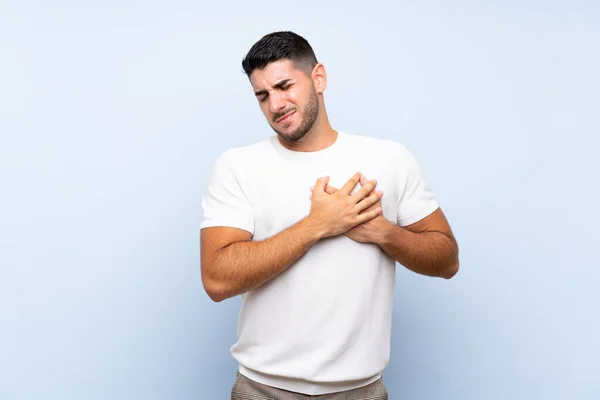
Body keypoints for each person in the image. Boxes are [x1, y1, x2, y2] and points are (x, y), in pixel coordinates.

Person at [200, 31, 459, 400]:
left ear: (318, 78)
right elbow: (216, 280)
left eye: (285, 86)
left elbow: (447, 259)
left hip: (361, 391)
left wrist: (383, 232)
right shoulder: (238, 166)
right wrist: (317, 225)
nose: (275, 104)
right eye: (262, 95)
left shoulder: (390, 159)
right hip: (263, 389)